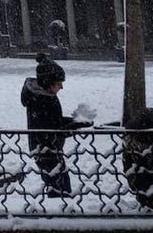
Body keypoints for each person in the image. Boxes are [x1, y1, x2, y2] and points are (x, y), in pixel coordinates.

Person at [20, 53, 91, 197]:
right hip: (45, 149)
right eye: (59, 83)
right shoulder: (40, 100)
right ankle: (57, 208)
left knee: (60, 185)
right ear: (48, 82)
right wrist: (73, 125)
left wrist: (75, 121)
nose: (62, 87)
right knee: (59, 188)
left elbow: (54, 121)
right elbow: (50, 129)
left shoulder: (46, 96)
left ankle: (58, 206)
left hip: (50, 148)